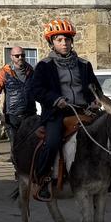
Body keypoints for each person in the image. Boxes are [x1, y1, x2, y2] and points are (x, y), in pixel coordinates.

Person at [28, 19, 99, 201]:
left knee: (109, 131)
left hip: (83, 111)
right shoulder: (44, 65)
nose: (64, 43)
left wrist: (95, 100)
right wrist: (55, 99)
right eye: (59, 40)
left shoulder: (84, 64)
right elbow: (35, 90)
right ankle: (42, 178)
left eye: (67, 39)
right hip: (57, 113)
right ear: (52, 43)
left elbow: (94, 88)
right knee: (52, 142)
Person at [0, 46, 34, 139]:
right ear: (11, 57)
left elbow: (39, 90)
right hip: (12, 116)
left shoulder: (31, 71)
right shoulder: (4, 72)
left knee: (31, 144)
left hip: (30, 115)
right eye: (17, 56)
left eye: (22, 55)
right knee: (15, 145)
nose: (20, 58)